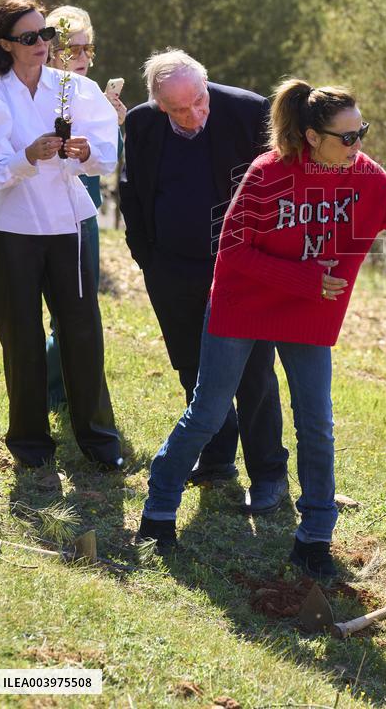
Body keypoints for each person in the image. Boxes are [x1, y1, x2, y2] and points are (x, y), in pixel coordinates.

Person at [138, 78, 386, 577]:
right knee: (207, 411)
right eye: (347, 137)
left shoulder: (366, 177)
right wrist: (307, 277)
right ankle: (159, 506)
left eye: (363, 133)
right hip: (243, 302)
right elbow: (233, 250)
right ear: (313, 136)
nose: (359, 146)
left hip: (307, 314)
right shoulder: (268, 173)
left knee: (317, 424)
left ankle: (314, 535)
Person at [119, 50, 288, 511]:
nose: (194, 115)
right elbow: (132, 192)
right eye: (179, 109)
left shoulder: (250, 111)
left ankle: (269, 472)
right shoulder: (140, 124)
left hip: (241, 267)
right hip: (172, 267)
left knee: (253, 373)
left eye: (199, 101)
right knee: (192, 367)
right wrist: (147, 257)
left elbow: (279, 190)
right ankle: (215, 457)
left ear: (207, 85)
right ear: (158, 105)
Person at [0, 0, 122, 471]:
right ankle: (29, 443)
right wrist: (27, 157)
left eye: (45, 34)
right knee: (20, 335)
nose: (41, 44)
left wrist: (85, 153)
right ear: (6, 44)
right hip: (10, 228)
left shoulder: (75, 89)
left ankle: (98, 438)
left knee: (82, 330)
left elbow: (108, 156)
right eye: (29, 37)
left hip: (70, 224)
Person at [45, 5, 127, 410]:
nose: (82, 58)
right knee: (58, 313)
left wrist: (115, 124)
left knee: (78, 308)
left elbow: (109, 162)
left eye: (87, 49)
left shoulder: (93, 95)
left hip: (83, 213)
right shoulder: (41, 92)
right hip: (37, 214)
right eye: (71, 49)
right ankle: (51, 391)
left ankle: (62, 393)